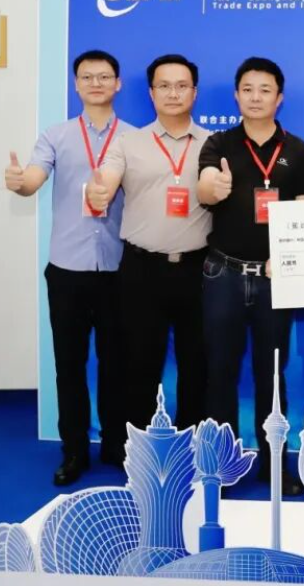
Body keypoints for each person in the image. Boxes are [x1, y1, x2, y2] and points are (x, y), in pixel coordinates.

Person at [5, 49, 134, 485]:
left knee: (117, 364)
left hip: (119, 269)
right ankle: (74, 450)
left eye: (104, 76)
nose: (96, 83)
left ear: (118, 83)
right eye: (87, 77)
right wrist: (21, 183)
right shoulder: (56, 136)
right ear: (76, 84)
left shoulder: (133, 138)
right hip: (68, 269)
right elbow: (33, 178)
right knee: (70, 365)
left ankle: (116, 445)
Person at [196, 56, 304, 496]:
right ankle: (221, 468)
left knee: (273, 375)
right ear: (236, 95)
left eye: (265, 90)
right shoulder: (218, 143)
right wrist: (214, 188)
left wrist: (284, 255)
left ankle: (275, 466)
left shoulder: (298, 150)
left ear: (279, 98)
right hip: (223, 273)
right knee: (220, 373)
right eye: (247, 89)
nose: (255, 97)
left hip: (274, 278)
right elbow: (205, 186)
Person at [87, 53, 211, 434]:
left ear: (194, 92)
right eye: (164, 86)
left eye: (181, 86)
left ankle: (192, 446)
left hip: (199, 270)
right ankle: (139, 449)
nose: (173, 93)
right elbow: (107, 177)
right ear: (151, 92)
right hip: (142, 270)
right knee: (139, 364)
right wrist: (99, 190)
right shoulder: (129, 142)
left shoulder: (214, 144)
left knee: (197, 364)